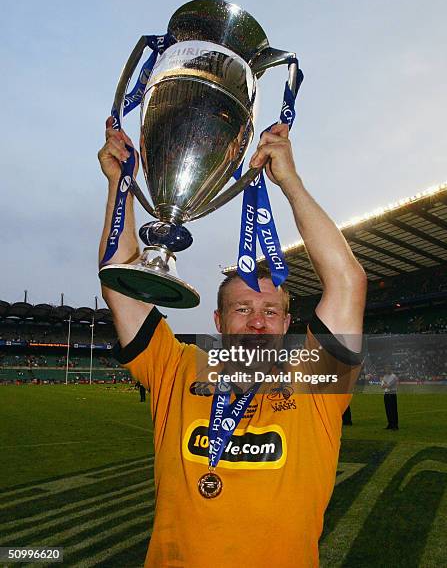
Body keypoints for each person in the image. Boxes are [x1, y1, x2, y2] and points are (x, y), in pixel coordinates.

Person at [98, 117, 367, 567]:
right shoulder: (177, 367)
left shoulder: (316, 381)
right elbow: (122, 287)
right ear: (219, 319)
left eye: (270, 311)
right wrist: (119, 186)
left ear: (287, 323)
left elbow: (346, 280)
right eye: (243, 309)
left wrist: (291, 183)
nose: (258, 322)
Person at [381, 365, 399, 430]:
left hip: (392, 395)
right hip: (386, 395)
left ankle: (395, 425)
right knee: (388, 410)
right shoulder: (385, 376)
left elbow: (387, 385)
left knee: (393, 411)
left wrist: (384, 383)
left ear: (390, 369)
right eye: (385, 369)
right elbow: (382, 387)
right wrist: (385, 384)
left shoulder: (393, 376)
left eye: (388, 369)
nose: (386, 370)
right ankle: (390, 424)